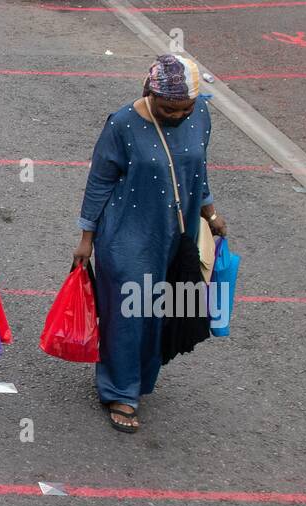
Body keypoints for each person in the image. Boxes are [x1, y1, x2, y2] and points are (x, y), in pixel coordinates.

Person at [73, 53, 228, 433]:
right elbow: (100, 182)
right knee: (129, 314)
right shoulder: (122, 124)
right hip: (128, 233)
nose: (176, 115)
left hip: (177, 233)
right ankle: (119, 391)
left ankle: (140, 381)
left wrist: (209, 212)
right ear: (149, 92)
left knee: (162, 309)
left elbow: (196, 170)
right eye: (168, 108)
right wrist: (86, 238)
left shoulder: (202, 117)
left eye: (183, 108)